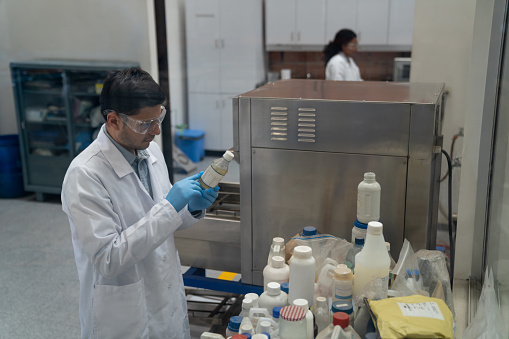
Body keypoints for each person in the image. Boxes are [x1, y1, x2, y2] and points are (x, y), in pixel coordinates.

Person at [61, 67, 219, 339]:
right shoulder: (85, 175)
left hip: (164, 295)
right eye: (144, 123)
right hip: (122, 314)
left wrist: (191, 207)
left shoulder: (150, 151)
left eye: (159, 118)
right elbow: (107, 259)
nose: (156, 130)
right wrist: (170, 207)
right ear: (113, 121)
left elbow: (165, 220)